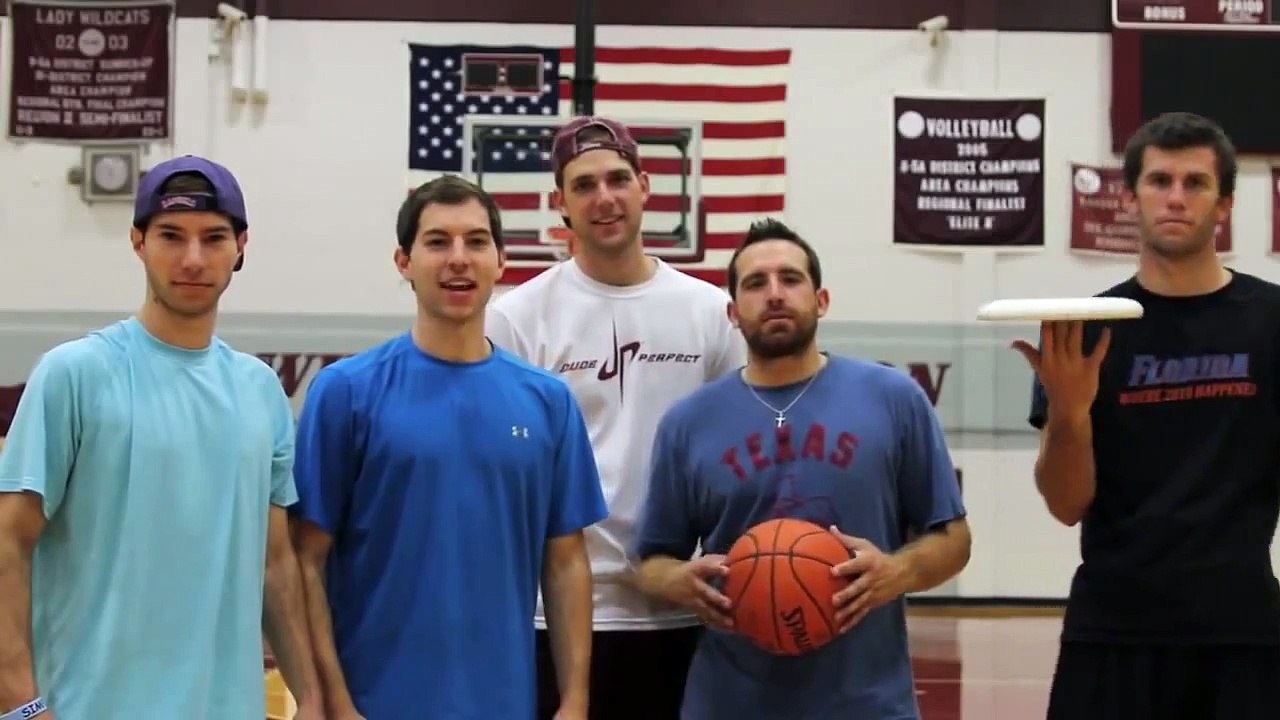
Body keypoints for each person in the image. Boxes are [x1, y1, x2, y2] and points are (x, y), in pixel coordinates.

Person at [0, 155, 322, 719]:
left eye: (213, 237)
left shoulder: (259, 390)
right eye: (171, 236)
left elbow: (276, 564)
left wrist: (313, 699)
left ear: (241, 246)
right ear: (137, 242)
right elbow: (8, 544)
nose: (193, 258)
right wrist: (19, 704)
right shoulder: (75, 373)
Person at [289, 175, 608, 720]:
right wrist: (337, 704)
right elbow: (306, 560)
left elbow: (565, 563)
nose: (458, 258)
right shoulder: (345, 392)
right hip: (372, 704)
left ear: (501, 261)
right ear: (403, 261)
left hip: (504, 703)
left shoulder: (548, 401)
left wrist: (574, 700)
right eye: (438, 242)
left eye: (476, 241)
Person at [629, 218, 971, 719]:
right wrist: (679, 581)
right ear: (732, 312)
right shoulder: (688, 422)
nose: (774, 294)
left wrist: (895, 572)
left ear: (822, 300)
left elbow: (955, 540)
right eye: (755, 283)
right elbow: (651, 563)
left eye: (790, 279)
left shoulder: (893, 398)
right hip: (730, 702)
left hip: (867, 703)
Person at [1015, 112, 1280, 719]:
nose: (1176, 198)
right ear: (1131, 198)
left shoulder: (1271, 321)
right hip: (1113, 631)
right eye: (1159, 181)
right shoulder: (1084, 326)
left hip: (1243, 633)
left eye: (1196, 183)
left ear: (1225, 205)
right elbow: (1064, 504)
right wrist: (1070, 414)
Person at [485, 114, 748, 720]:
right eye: (583, 185)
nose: (604, 198)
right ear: (560, 204)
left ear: (646, 187)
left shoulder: (710, 314)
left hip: (684, 609)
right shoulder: (517, 318)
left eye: (617, 179)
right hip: (555, 614)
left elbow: (738, 457)